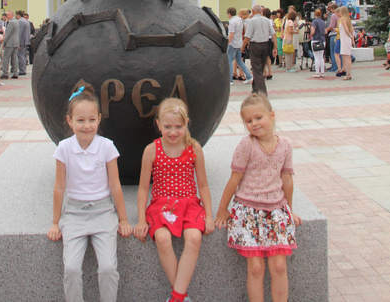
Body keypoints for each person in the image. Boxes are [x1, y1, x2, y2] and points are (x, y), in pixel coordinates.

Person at [47, 84, 132, 302]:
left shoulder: (107, 147)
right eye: (80, 120)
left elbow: (115, 185)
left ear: (99, 119)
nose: (87, 126)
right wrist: (56, 222)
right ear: (70, 121)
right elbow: (59, 187)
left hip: (103, 212)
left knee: (107, 268)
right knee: (72, 269)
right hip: (74, 214)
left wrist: (123, 219)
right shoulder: (64, 148)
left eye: (92, 120)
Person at [215, 93, 302, 302]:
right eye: (248, 121)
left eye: (258, 117)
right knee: (255, 268)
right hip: (248, 210)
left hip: (276, 211)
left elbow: (287, 180)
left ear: (271, 115)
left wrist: (289, 210)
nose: (254, 124)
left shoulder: (285, 145)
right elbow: (234, 179)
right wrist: (222, 210)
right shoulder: (246, 145)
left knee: (279, 266)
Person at [135, 97, 214, 302]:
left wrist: (210, 215)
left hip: (189, 204)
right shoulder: (151, 150)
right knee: (161, 238)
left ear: (186, 124)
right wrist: (141, 219)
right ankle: (182, 296)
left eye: (178, 127)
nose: (173, 132)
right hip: (161, 206)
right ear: (159, 125)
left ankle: (177, 297)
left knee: (194, 238)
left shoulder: (194, 148)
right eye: (167, 126)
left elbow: (203, 185)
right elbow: (143, 188)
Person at [241, 5, 277, 95]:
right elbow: (273, 34)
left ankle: (262, 91)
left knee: (256, 69)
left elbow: (247, 36)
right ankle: (255, 89)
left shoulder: (252, 21)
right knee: (260, 67)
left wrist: (242, 47)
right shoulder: (267, 20)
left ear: (252, 11)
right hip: (265, 44)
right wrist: (275, 47)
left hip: (255, 45)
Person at [226, 7, 253, 85]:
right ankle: (249, 76)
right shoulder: (240, 20)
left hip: (232, 44)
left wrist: (227, 43)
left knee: (229, 61)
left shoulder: (232, 22)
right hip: (239, 43)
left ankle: (230, 80)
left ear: (229, 14)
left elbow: (231, 34)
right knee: (239, 61)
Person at [0, 10, 19, 79]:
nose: (7, 16)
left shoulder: (11, 23)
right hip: (15, 42)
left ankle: (5, 73)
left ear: (12, 15)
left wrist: (4, 43)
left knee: (6, 58)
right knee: (14, 58)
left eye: (8, 15)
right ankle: (15, 73)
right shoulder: (16, 21)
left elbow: (8, 34)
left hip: (10, 43)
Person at [338, 6, 355, 81]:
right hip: (347, 39)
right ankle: (349, 73)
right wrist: (352, 39)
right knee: (347, 57)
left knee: (346, 57)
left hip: (345, 39)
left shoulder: (343, 20)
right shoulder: (348, 20)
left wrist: (349, 36)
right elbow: (352, 30)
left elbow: (347, 30)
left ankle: (348, 74)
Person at [310, 8, 326, 78]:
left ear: (314, 14)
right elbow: (325, 31)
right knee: (321, 57)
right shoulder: (323, 22)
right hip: (322, 40)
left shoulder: (314, 21)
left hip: (315, 39)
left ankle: (317, 72)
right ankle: (322, 72)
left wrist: (311, 35)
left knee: (316, 57)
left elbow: (313, 31)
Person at [16, 10, 31, 75]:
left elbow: (19, 33)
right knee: (24, 56)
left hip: (21, 41)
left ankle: (22, 70)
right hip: (26, 40)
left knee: (20, 56)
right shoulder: (26, 21)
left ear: (18, 15)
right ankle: (24, 69)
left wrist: (17, 42)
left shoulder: (20, 22)